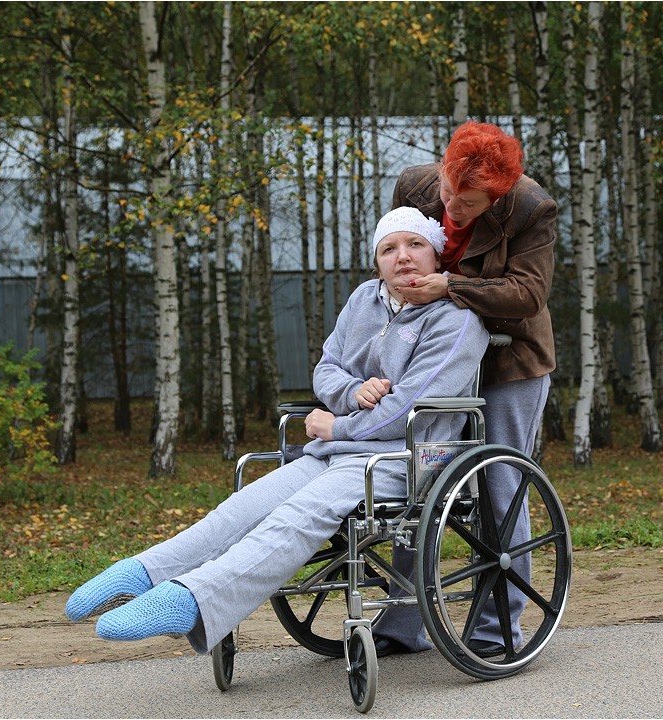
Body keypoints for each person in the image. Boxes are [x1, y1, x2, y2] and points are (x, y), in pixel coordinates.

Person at [64, 207, 489, 655]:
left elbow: (410, 410)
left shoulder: (455, 318)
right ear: (377, 263)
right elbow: (327, 368)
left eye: (415, 244)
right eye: (389, 249)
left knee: (297, 517)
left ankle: (192, 601)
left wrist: (337, 425)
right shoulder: (365, 299)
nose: (402, 256)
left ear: (436, 255)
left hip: (407, 458)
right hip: (338, 451)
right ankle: (142, 573)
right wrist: (351, 391)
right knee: (242, 508)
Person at [370, 121, 557, 658]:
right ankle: (404, 623)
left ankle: (497, 629)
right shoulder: (415, 184)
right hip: (428, 357)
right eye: (448, 191)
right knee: (417, 482)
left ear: (497, 196)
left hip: (508, 361)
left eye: (468, 203)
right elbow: (396, 255)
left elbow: (528, 293)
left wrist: (451, 285)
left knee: (500, 486)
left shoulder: (531, 208)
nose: (450, 207)